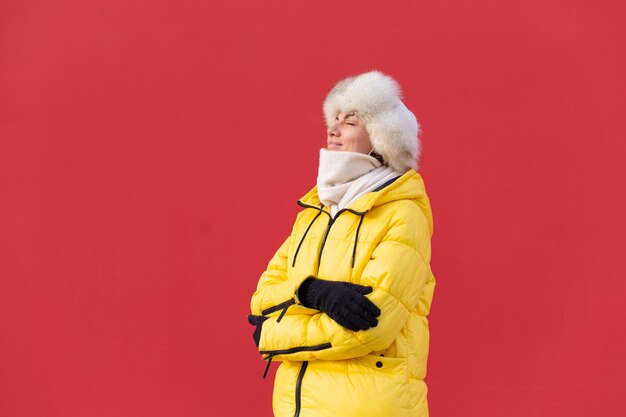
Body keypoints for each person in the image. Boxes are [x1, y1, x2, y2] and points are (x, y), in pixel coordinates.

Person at [248, 70, 436, 417]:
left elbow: (371, 329)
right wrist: (312, 293)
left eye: (349, 123)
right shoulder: (315, 211)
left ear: (381, 138)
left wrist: (274, 337)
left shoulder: (403, 213)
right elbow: (261, 302)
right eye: (333, 119)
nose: (333, 129)